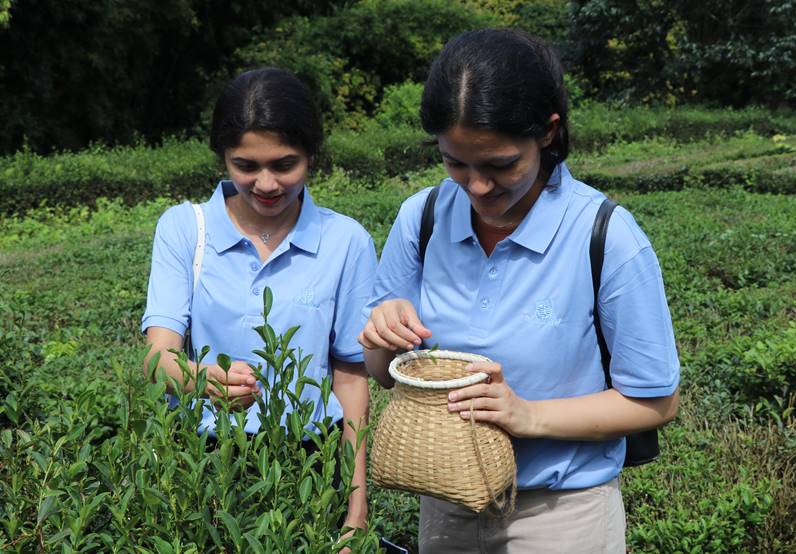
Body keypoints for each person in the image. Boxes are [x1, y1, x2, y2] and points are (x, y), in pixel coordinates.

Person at [359, 29, 680, 553]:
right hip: (445, 503)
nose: (478, 186)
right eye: (455, 163)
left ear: (548, 133)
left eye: (500, 164)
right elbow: (382, 375)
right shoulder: (421, 218)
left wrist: (528, 416)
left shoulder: (606, 235)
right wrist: (383, 338)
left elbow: (655, 401)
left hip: (561, 515)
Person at [142, 67, 376, 535]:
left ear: (312, 154)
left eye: (284, 164)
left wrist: (355, 509)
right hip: (208, 460)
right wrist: (199, 379)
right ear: (223, 159)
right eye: (245, 165)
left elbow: (350, 380)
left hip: (315, 461)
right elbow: (156, 361)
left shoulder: (345, 240)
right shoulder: (185, 230)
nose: (266, 184)